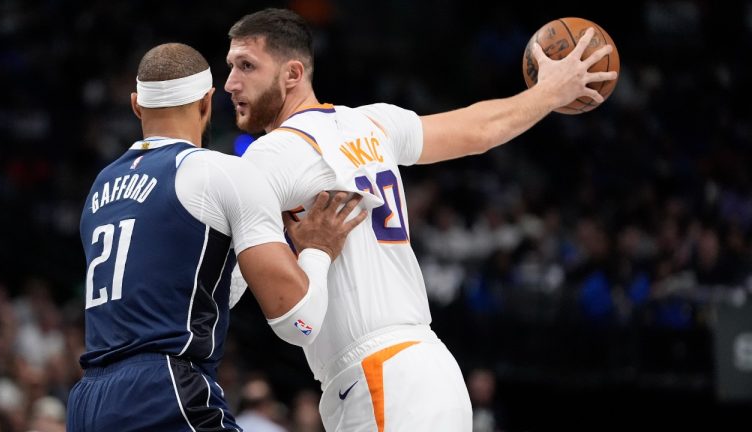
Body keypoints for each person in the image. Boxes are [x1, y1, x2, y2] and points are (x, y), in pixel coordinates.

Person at [224, 8, 617, 431]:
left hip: (378, 377)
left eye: (247, 66)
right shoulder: (372, 122)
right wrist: (549, 94)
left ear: (292, 73)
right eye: (230, 67)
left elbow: (231, 285)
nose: (230, 83)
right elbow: (478, 129)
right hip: (428, 367)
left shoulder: (274, 153)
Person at [67, 42, 365, 432]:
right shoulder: (218, 172)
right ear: (207, 102)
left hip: (87, 401)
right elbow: (301, 323)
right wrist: (318, 250)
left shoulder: (100, 189)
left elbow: (192, 293)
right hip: (162, 391)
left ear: (137, 105)